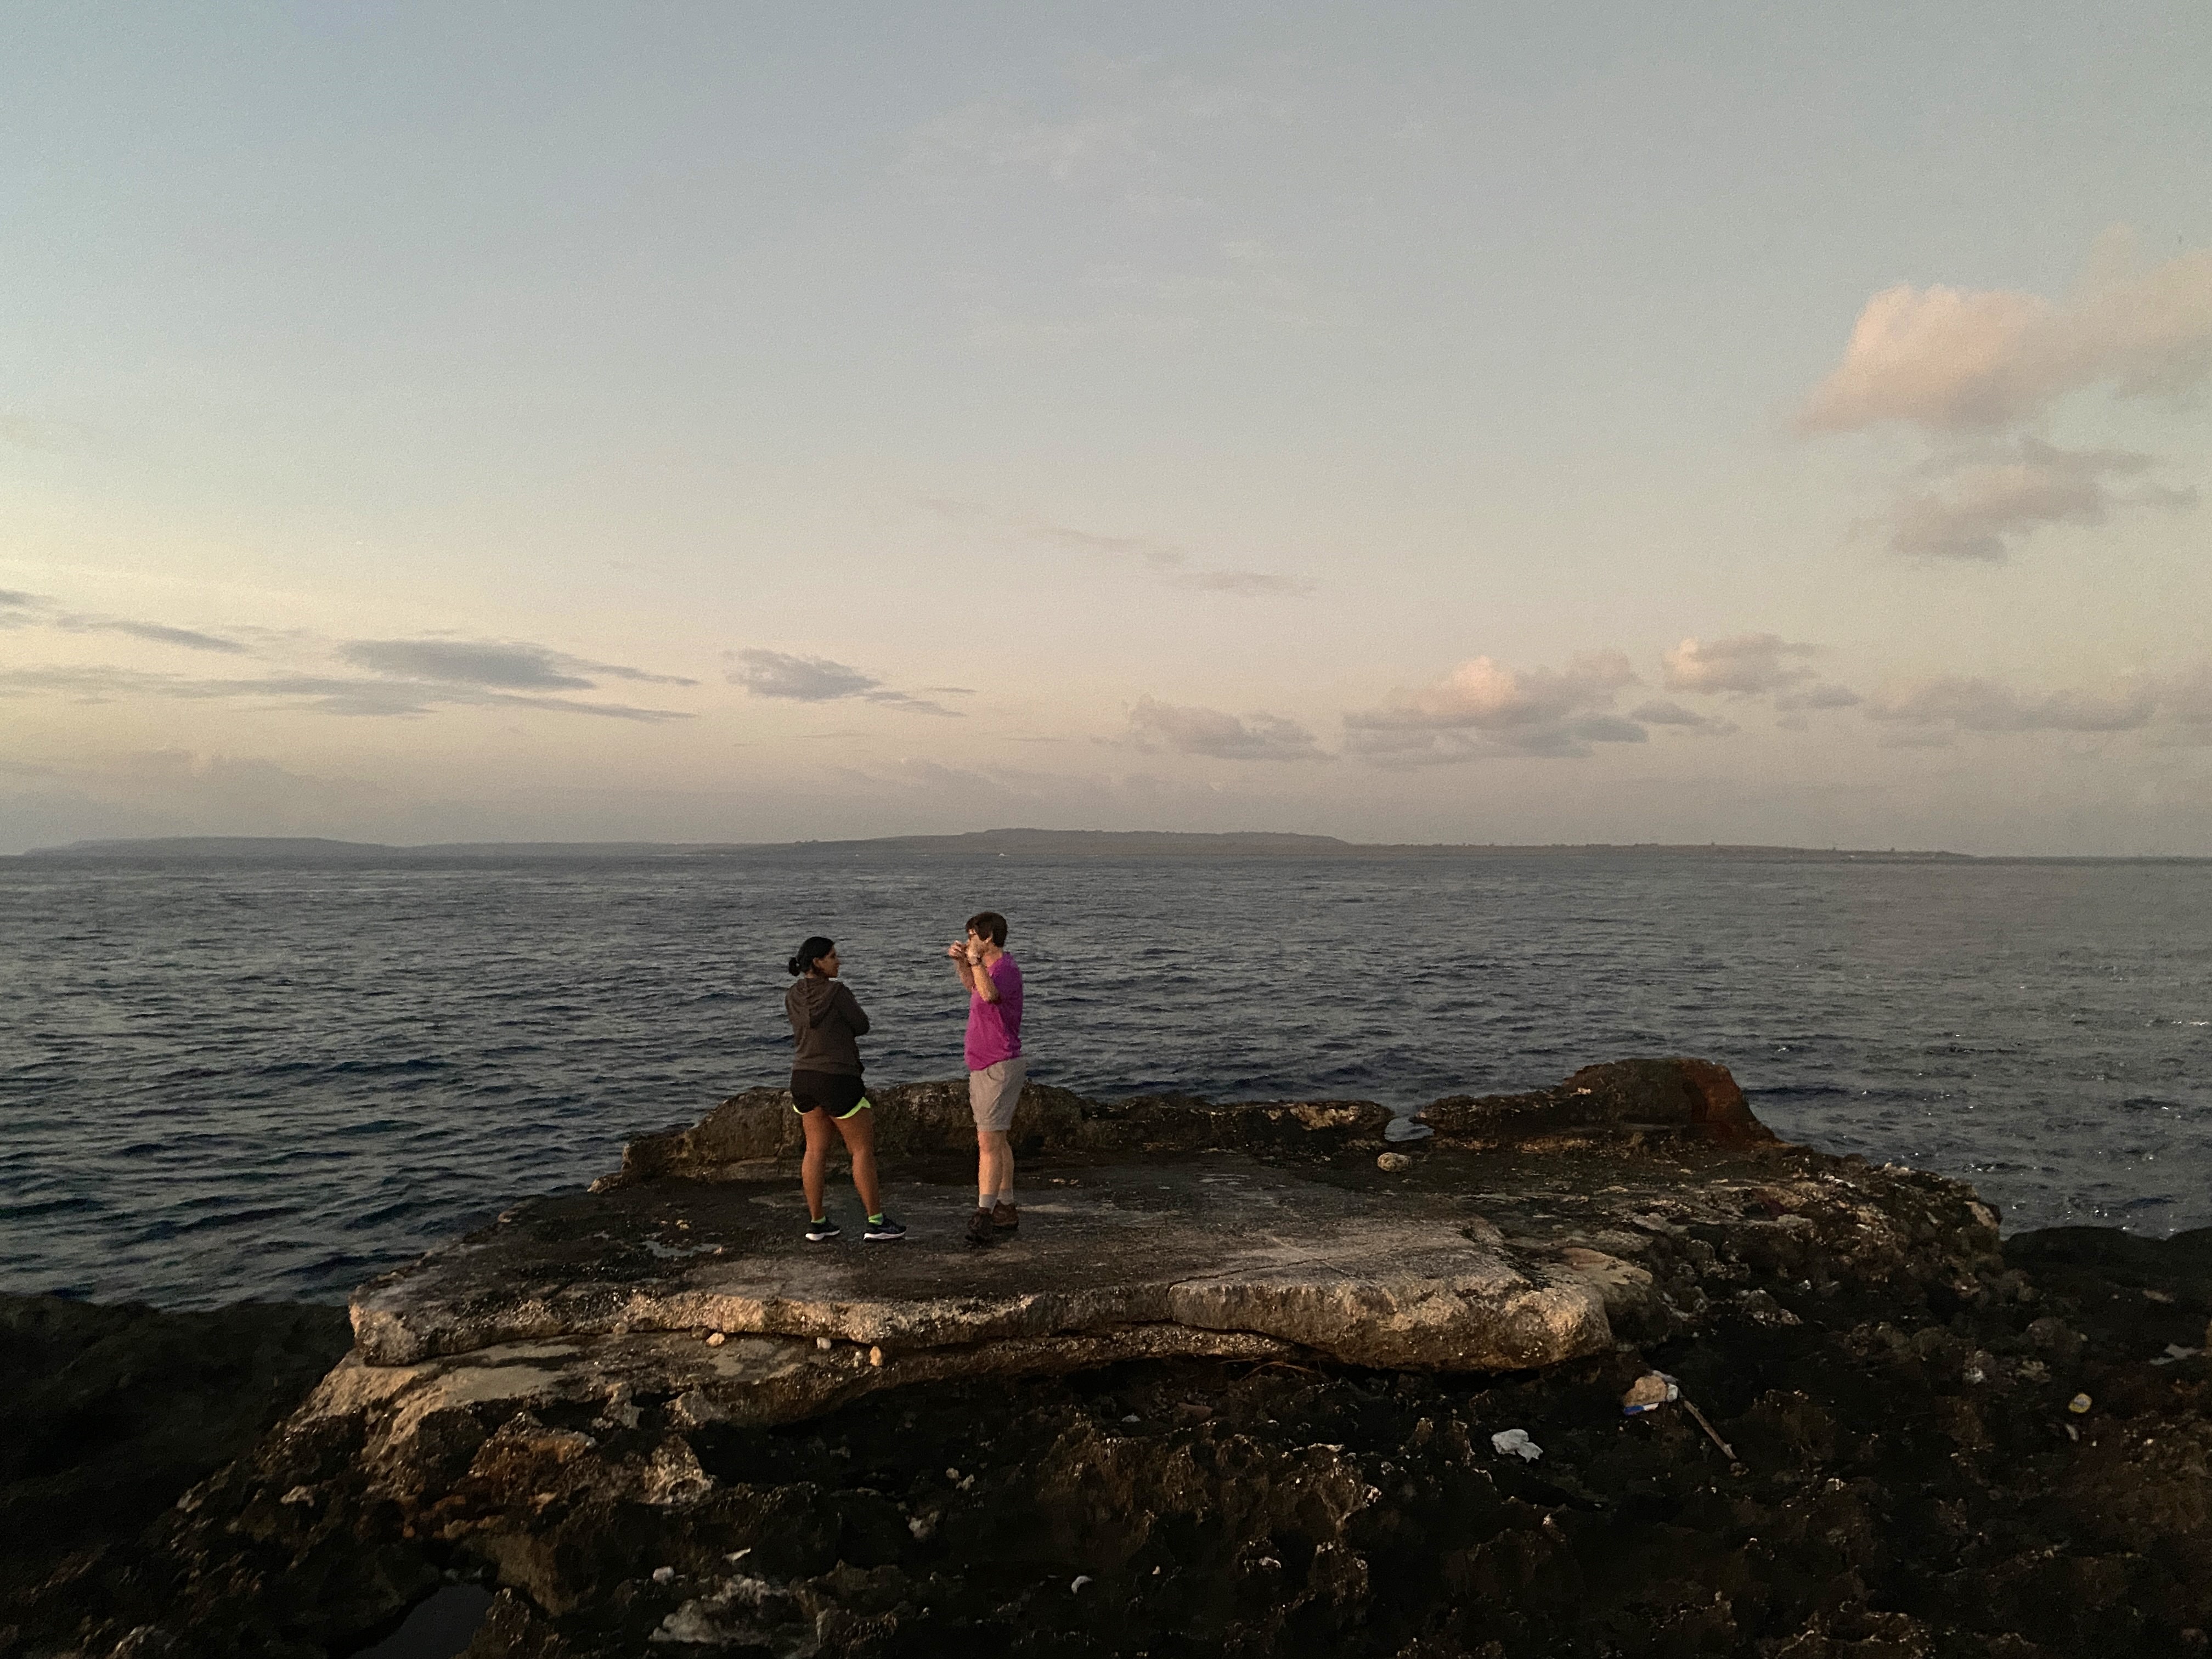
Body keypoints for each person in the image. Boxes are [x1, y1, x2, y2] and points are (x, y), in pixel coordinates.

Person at [783, 935, 904, 1244]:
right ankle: (876, 1222)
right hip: (838, 1077)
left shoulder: (792, 995)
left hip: (803, 1077)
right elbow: (862, 1025)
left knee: (814, 1150)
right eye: (833, 957)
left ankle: (817, 1222)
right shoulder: (837, 993)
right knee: (861, 1149)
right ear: (818, 963)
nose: (839, 961)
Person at [945, 909, 1023, 1245]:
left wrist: (975, 962)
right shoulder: (988, 968)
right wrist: (964, 963)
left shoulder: (1004, 968)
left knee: (988, 1144)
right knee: (998, 1140)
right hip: (985, 1062)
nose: (969, 940)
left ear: (987, 937)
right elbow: (974, 989)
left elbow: (991, 995)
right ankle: (1005, 1206)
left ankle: (984, 1214)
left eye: (973, 935)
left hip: (998, 1062)